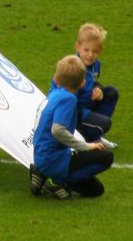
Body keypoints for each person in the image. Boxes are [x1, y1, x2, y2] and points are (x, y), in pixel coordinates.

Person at [31, 55, 114, 199]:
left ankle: (41, 173)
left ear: (56, 78)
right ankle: (56, 182)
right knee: (106, 157)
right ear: (83, 83)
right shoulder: (68, 99)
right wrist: (85, 146)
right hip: (53, 159)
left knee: (95, 190)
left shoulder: (54, 92)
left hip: (42, 156)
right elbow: (57, 130)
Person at [71, 23, 120, 148]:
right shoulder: (73, 68)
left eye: (95, 51)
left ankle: (95, 135)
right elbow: (68, 100)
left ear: (101, 51)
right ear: (77, 47)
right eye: (86, 50)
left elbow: (92, 81)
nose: (90, 55)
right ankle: (88, 137)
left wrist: (98, 89)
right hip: (76, 112)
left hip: (88, 103)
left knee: (111, 92)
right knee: (105, 123)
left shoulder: (96, 64)